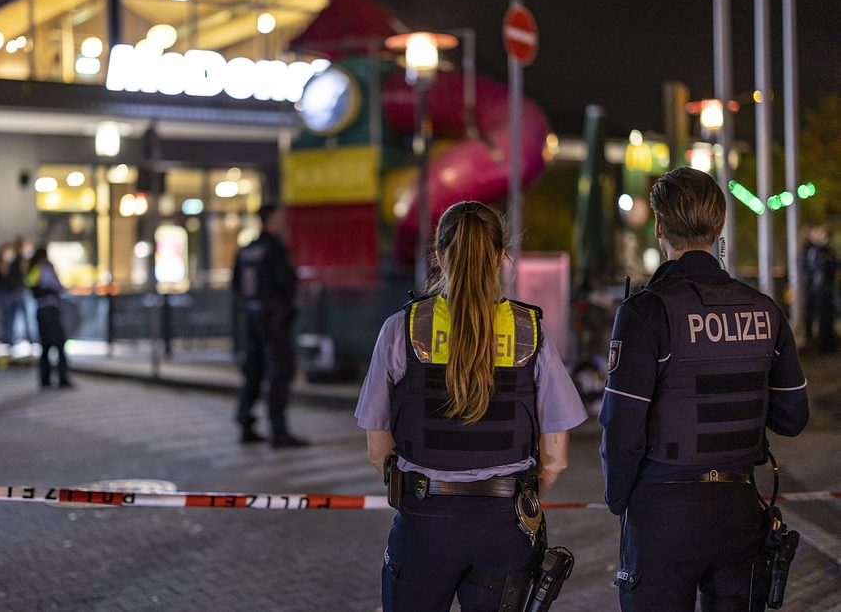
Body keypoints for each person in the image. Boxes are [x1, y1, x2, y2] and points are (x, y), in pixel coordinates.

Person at [356, 201, 587, 611]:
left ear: (439, 255)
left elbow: (378, 450)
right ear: (500, 256)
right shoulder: (529, 333)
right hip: (506, 524)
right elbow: (556, 457)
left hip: (425, 522)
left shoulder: (402, 328)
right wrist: (519, 496)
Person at [599, 167, 809, 611]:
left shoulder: (646, 312)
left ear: (659, 226)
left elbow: (621, 426)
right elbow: (793, 417)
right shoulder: (764, 311)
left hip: (662, 512)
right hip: (738, 510)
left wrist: (621, 500)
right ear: (720, 227)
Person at [231, 204, 309, 448]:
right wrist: (287, 311)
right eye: (280, 218)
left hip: (251, 317)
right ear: (271, 220)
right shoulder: (275, 249)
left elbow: (235, 287)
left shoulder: (246, 250)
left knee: (253, 370)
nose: (284, 222)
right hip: (274, 319)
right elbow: (287, 284)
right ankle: (278, 431)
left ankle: (245, 422)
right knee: (280, 371)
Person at [25, 246, 72, 389]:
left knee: (45, 346)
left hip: (41, 310)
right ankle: (62, 378)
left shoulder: (34, 268)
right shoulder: (45, 268)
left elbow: (30, 285)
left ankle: (45, 379)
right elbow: (58, 287)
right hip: (50, 309)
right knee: (59, 344)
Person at [801, 224, 837, 352]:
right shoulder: (810, 249)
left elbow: (833, 266)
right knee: (811, 315)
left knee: (825, 316)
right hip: (813, 289)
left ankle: (825, 342)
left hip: (823, 289)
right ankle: (813, 341)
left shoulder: (825, 250)